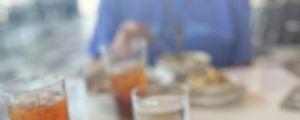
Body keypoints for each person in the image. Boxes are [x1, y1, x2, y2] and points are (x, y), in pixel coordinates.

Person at [88, 0, 252, 67]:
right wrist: (117, 53)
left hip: (220, 114)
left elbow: (244, 67)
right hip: (142, 114)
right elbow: (91, 75)